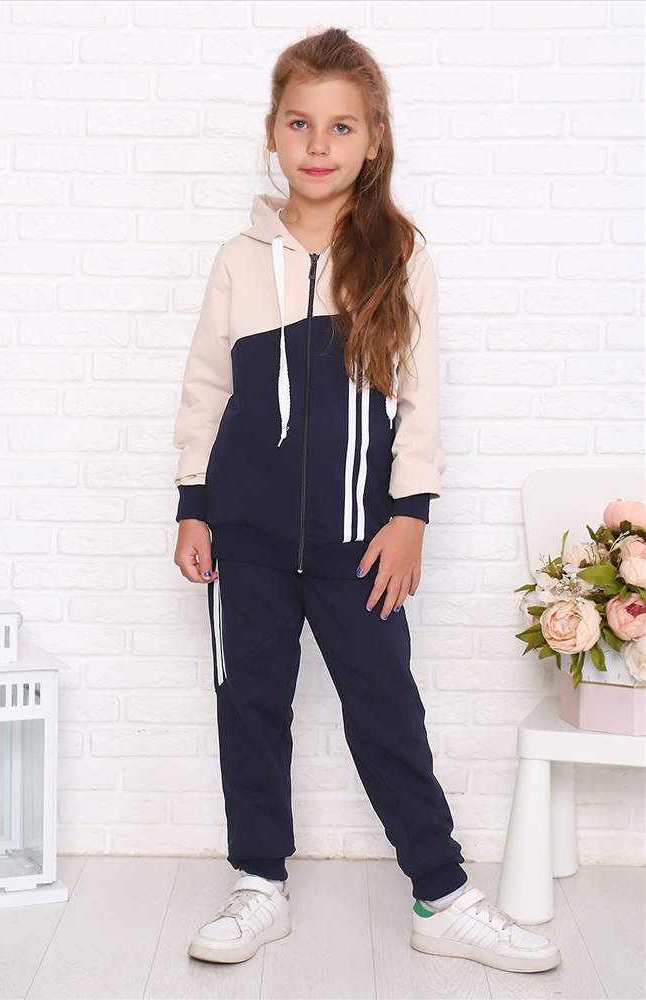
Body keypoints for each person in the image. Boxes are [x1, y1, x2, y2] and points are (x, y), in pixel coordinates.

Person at [172, 27, 561, 975]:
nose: (318, 145)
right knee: (250, 706)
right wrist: (193, 503)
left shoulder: (399, 253)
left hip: (361, 539)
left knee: (386, 709)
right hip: (246, 536)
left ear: (373, 138)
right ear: (273, 131)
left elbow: (420, 395)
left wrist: (409, 515)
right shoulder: (240, 259)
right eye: (299, 123)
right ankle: (259, 883)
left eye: (340, 126)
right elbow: (205, 388)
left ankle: (441, 894)